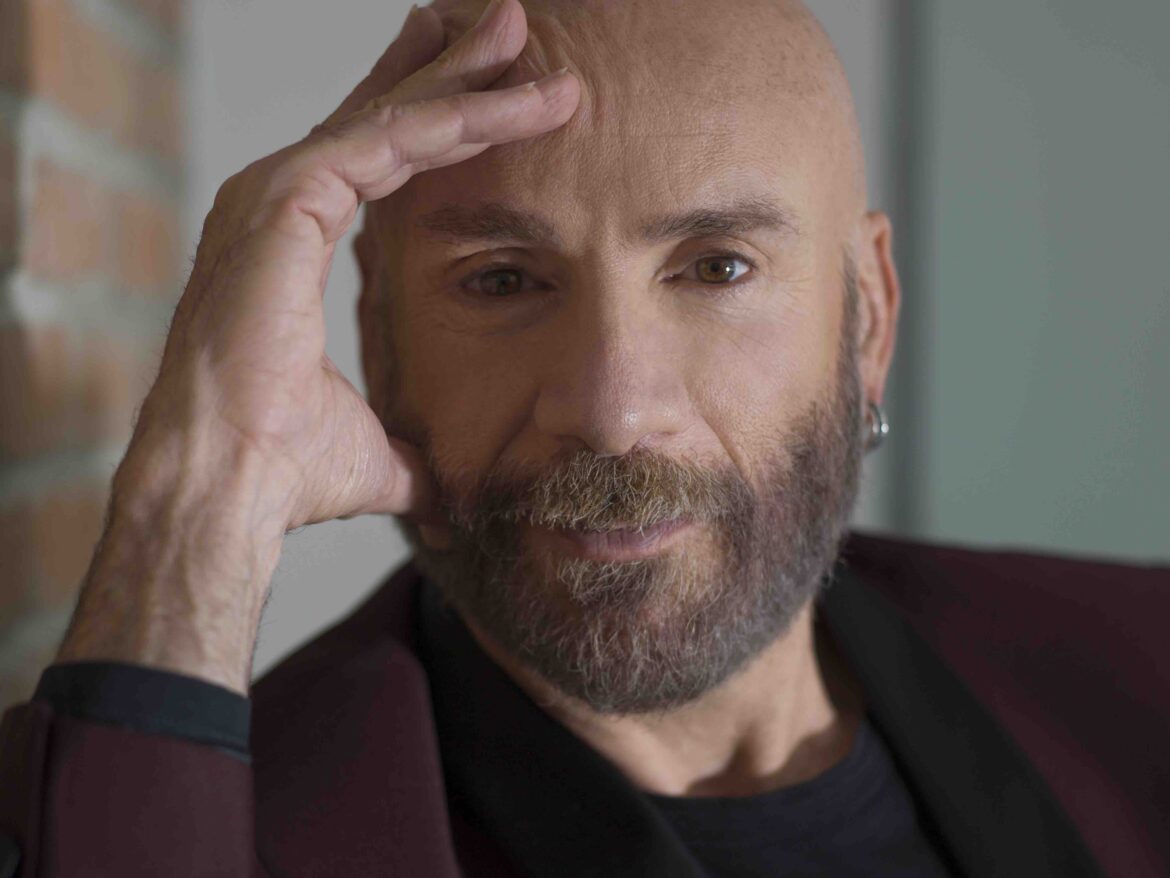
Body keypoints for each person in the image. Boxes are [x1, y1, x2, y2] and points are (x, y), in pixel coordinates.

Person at [0, 0, 1165, 875]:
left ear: (869, 316)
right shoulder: (222, 822)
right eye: (502, 278)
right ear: (375, 333)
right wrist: (205, 492)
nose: (611, 409)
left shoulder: (1140, 668)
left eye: (717, 268)